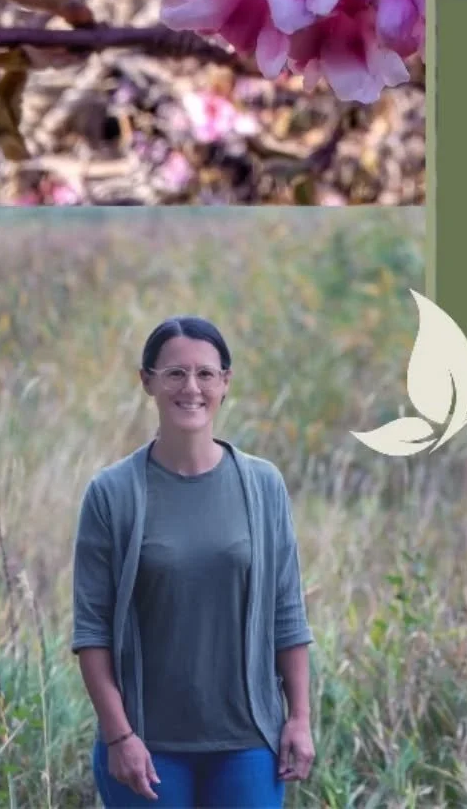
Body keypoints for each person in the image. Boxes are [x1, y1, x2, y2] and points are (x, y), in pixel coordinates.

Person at [70, 316, 316, 807]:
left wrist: (299, 718)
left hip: (248, 743)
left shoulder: (263, 486)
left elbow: (287, 613)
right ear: (148, 382)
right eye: (175, 373)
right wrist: (120, 737)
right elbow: (91, 631)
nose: (191, 387)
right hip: (148, 748)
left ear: (225, 382)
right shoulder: (112, 493)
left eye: (205, 374)